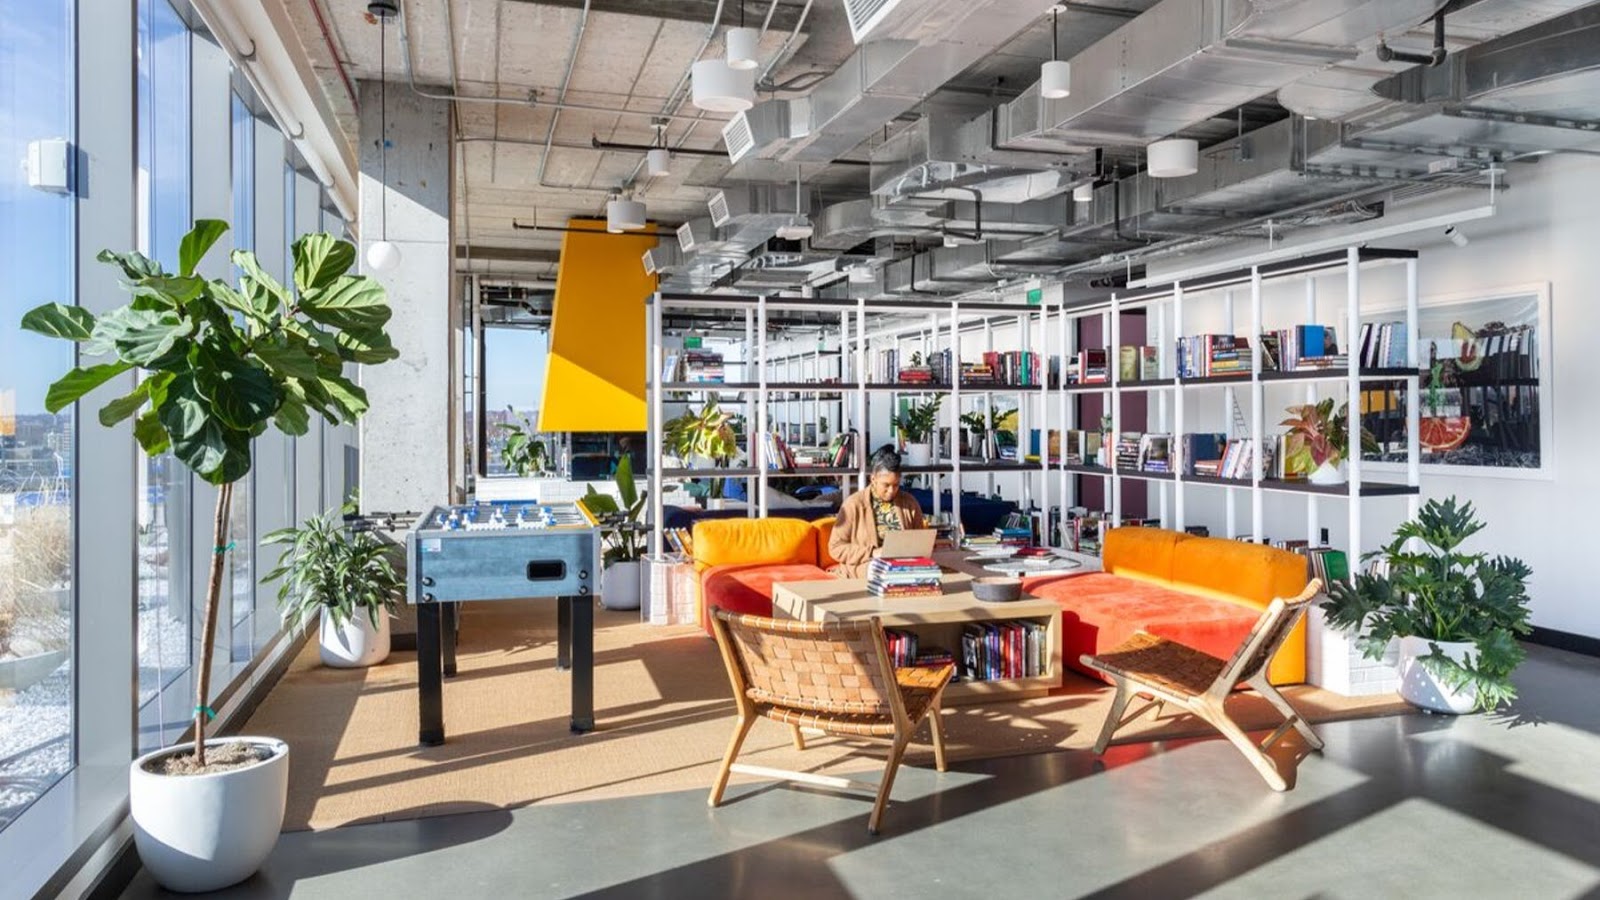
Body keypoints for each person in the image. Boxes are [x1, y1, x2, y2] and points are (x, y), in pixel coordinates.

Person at [828, 448, 926, 579]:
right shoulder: (854, 504)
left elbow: (920, 541)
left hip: (903, 564)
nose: (891, 490)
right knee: (880, 572)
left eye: (896, 485)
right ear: (873, 479)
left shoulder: (909, 503)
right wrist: (872, 553)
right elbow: (836, 548)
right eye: (886, 485)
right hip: (865, 566)